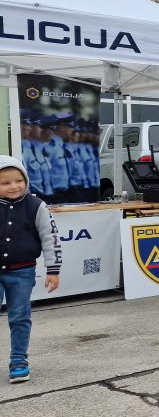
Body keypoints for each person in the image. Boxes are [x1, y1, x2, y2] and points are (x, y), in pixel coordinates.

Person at [0, 156, 61, 383]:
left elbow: (51, 238)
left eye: (18, 180)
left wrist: (53, 270)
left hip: (22, 273)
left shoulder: (37, 206)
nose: (14, 186)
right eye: (5, 183)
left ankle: (18, 360)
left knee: (19, 317)